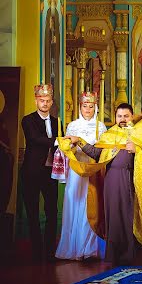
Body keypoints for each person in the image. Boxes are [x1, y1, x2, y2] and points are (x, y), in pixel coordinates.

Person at [61, 103, 142, 265]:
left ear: (132, 116)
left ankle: (128, 255)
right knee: (112, 216)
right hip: (111, 180)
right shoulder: (109, 134)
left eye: (126, 116)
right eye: (119, 116)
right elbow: (97, 153)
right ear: (115, 117)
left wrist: (137, 150)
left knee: (127, 216)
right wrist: (79, 141)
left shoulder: (140, 134)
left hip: (129, 179)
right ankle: (112, 255)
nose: (122, 119)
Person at [55, 92, 107, 260]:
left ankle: (90, 249)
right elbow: (67, 149)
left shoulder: (101, 127)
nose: (87, 110)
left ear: (96, 108)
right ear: (80, 107)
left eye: (91, 106)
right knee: (74, 204)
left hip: (93, 172)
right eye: (84, 106)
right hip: (76, 171)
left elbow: (102, 152)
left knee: (90, 207)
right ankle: (72, 248)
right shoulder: (72, 126)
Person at [20, 84, 63, 262]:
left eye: (47, 101)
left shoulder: (56, 122)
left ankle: (49, 252)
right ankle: (37, 253)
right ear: (36, 100)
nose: (45, 103)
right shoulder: (28, 120)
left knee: (52, 212)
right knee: (32, 212)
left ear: (52, 102)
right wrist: (58, 141)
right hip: (31, 172)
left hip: (50, 172)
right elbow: (35, 140)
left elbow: (61, 146)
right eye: (41, 100)